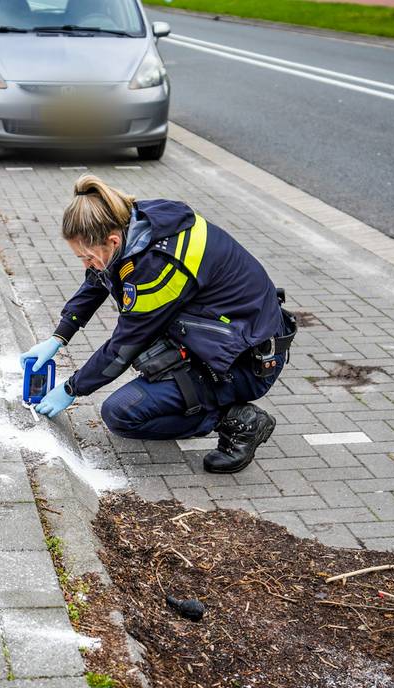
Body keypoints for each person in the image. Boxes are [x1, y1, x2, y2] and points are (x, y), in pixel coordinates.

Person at [21, 174, 296, 473]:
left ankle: (237, 421)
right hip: (228, 335)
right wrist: (59, 336)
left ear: (112, 241)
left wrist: (72, 388)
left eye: (86, 257)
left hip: (246, 362)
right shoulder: (135, 221)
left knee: (121, 413)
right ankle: (202, 395)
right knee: (148, 347)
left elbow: (123, 347)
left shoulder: (158, 267)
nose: (86, 264)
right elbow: (100, 278)